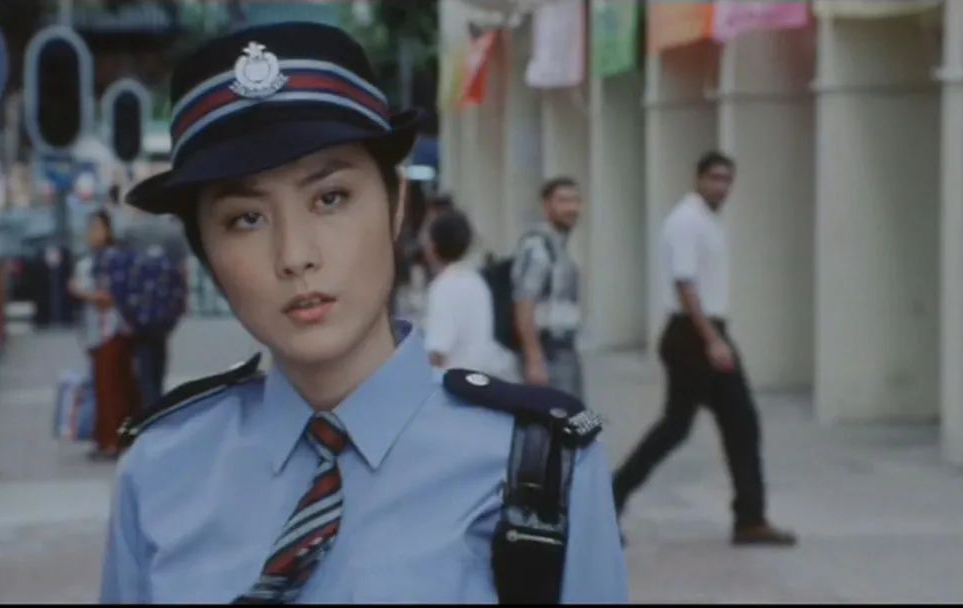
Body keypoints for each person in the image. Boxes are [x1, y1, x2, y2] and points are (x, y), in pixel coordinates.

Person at [99, 22, 627, 604]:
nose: (295, 256)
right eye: (246, 219)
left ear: (396, 204)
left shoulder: (537, 465)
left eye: (330, 199)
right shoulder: (160, 471)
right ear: (206, 251)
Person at [611, 152, 797, 547]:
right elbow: (685, 283)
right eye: (714, 178)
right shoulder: (686, 221)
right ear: (697, 178)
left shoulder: (709, 221)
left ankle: (750, 518)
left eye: (727, 179)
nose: (721, 186)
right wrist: (712, 340)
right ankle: (609, 500)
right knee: (677, 427)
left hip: (705, 332)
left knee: (739, 423)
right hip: (692, 335)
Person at [68, 211, 143, 461]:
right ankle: (109, 439)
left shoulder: (111, 259)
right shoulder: (92, 259)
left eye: (97, 228)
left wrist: (81, 293)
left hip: (112, 330)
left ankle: (114, 441)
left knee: (112, 387)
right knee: (107, 387)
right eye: (90, 229)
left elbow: (109, 298)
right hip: (99, 332)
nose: (92, 234)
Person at [107, 187, 190, 411]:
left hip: (137, 308)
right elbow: (181, 270)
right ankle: (158, 396)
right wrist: (182, 302)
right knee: (159, 350)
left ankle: (149, 401)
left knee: (143, 356)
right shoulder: (172, 232)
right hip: (163, 306)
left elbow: (119, 271)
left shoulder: (129, 232)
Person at [511, 177, 584, 399]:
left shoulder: (559, 245)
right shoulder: (537, 247)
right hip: (548, 350)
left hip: (565, 349)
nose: (571, 208)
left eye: (575, 201)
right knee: (557, 415)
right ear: (546, 206)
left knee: (574, 414)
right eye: (563, 201)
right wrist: (534, 359)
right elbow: (524, 302)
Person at [422, 209, 517, 380]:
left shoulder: (444, 286)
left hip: (453, 382)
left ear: (433, 246)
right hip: (480, 378)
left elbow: (438, 350)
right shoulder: (476, 281)